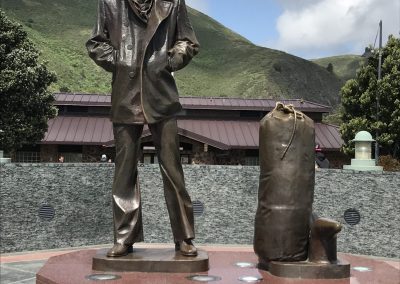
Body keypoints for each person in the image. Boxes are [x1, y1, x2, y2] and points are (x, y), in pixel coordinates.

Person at [86, 0, 199, 257]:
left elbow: (188, 40)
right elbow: (95, 42)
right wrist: (119, 60)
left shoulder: (173, 3)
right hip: (126, 95)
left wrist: (171, 60)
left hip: (161, 94)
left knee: (173, 169)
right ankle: (124, 237)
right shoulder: (110, 3)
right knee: (124, 171)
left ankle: (184, 237)